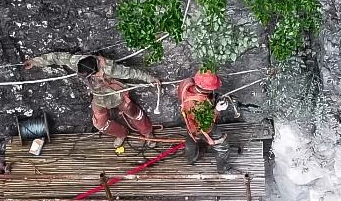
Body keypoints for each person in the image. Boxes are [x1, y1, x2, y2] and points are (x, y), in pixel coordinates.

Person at [24, 51, 160, 153]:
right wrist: (35, 61)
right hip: (99, 97)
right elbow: (57, 57)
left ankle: (147, 132)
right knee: (99, 123)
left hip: (116, 93)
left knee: (132, 111)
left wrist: (150, 79)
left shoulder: (109, 68)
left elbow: (132, 73)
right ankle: (121, 133)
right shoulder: (76, 61)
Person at [177, 70, 225, 166]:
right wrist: (217, 110)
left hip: (189, 118)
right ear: (206, 90)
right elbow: (206, 127)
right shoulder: (199, 105)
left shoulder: (186, 83)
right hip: (199, 126)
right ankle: (223, 168)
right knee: (223, 147)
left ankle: (191, 156)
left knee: (191, 135)